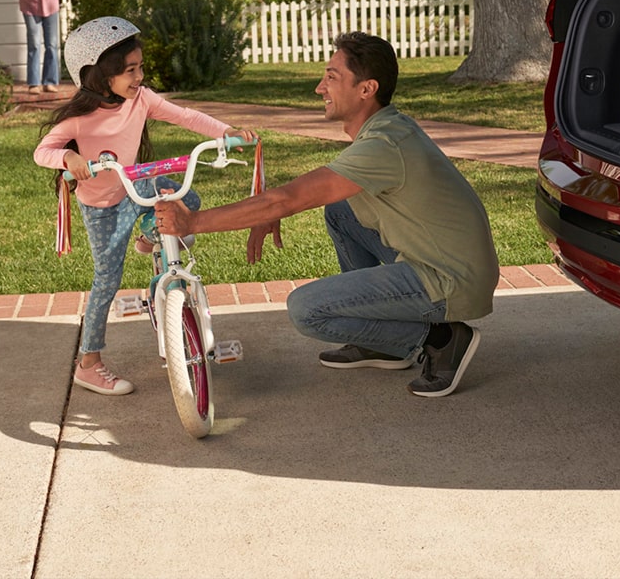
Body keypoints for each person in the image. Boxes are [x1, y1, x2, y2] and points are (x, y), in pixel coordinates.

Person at [156, 31, 499, 398]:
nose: (320, 88)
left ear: (366, 89)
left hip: (449, 280)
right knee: (340, 211)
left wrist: (192, 222)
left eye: (332, 77)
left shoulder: (382, 145)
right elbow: (308, 193)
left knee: (307, 310)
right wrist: (275, 207)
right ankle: (383, 343)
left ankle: (442, 338)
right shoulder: (387, 128)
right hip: (444, 261)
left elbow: (287, 199)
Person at [34, 16, 255, 396]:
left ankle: (149, 238)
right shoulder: (80, 118)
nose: (139, 77)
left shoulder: (142, 99)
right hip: (103, 205)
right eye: (130, 70)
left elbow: (184, 116)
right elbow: (43, 151)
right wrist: (69, 161)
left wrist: (225, 132)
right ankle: (88, 364)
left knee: (187, 201)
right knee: (107, 279)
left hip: (137, 182)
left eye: (140, 67)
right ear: (101, 76)